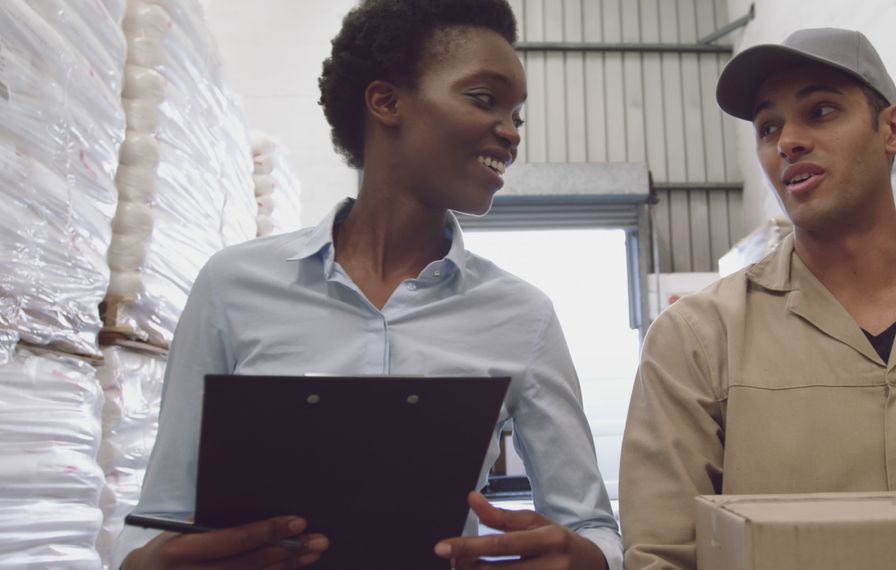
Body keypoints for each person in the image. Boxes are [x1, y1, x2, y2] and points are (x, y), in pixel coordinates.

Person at [113, 1, 621, 568]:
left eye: (517, 116)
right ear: (386, 101)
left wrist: (589, 559)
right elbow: (156, 516)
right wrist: (149, 562)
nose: (509, 133)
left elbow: (591, 526)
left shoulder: (521, 315)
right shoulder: (234, 287)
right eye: (485, 99)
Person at [619, 27, 896, 569]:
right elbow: (662, 557)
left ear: (893, 129)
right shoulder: (697, 341)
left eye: (820, 111)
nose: (787, 140)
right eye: (768, 127)